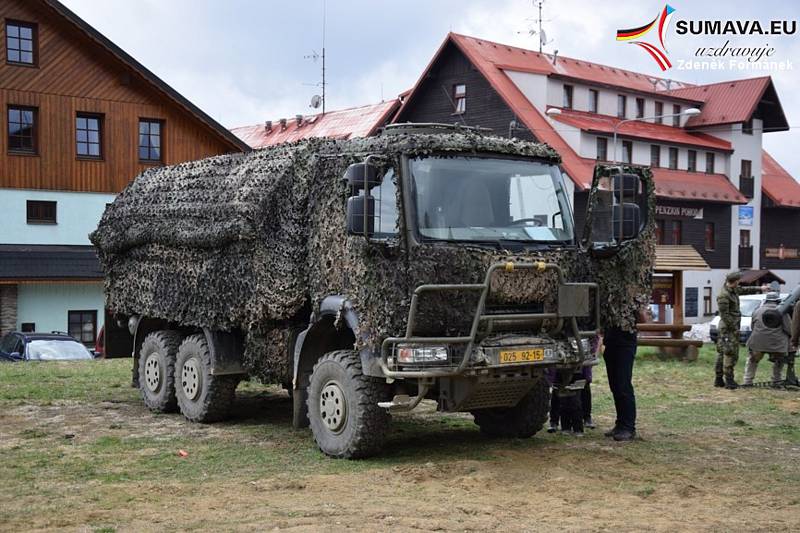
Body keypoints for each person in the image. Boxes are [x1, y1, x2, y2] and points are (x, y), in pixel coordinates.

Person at [714, 272, 767, 389]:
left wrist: (760, 288)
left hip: (730, 327)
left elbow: (745, 290)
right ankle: (729, 380)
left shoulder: (733, 290)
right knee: (729, 353)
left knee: (723, 352)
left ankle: (719, 380)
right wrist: (734, 328)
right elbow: (724, 316)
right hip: (728, 329)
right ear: (735, 281)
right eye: (738, 280)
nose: (739, 282)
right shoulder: (724, 295)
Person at [602, 307, 646, 442]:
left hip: (625, 344)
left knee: (623, 385)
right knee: (615, 386)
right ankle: (620, 424)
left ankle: (628, 427)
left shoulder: (632, 300)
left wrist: (636, 309)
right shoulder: (610, 300)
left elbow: (643, 319)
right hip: (610, 343)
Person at [743, 293, 793, 386]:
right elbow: (788, 329)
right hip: (777, 344)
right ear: (778, 300)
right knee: (779, 360)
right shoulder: (782, 311)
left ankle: (747, 381)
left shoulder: (757, 311)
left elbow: (753, 326)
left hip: (757, 342)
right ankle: (776, 380)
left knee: (752, 360)